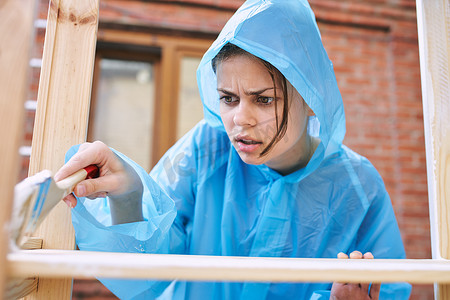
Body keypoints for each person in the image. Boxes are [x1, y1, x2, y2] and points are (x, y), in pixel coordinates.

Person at [55, 0, 412, 299]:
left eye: (264, 99)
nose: (240, 119)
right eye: (228, 98)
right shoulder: (206, 149)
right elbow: (146, 273)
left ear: (312, 95)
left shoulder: (358, 186)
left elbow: (391, 289)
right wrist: (129, 194)